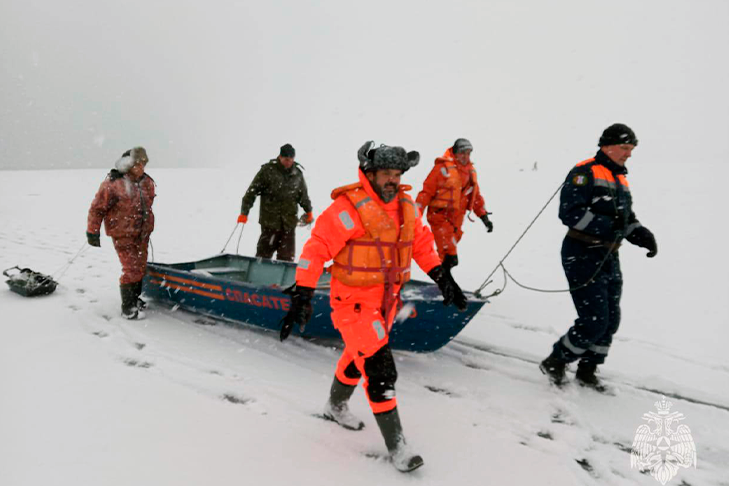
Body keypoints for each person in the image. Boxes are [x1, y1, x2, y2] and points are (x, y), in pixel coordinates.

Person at [278, 142, 468, 472]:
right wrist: (303, 295)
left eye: (397, 174)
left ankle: (335, 406)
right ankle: (398, 448)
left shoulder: (405, 206)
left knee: (357, 356)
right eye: (385, 174)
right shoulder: (349, 208)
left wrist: (442, 277)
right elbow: (316, 248)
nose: (392, 181)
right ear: (370, 173)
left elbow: (421, 243)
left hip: (387, 302)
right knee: (380, 369)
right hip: (353, 304)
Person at [540, 124, 658, 391]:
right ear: (607, 146)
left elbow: (625, 219)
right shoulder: (585, 172)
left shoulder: (620, 178)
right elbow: (570, 213)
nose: (628, 154)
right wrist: (609, 227)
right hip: (582, 252)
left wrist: (640, 234)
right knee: (595, 318)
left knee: (611, 318)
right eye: (625, 148)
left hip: (609, 255)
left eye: (631, 149)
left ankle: (588, 369)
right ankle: (556, 361)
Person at [87, 147, 155, 320]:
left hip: (142, 234)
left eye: (144, 164)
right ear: (129, 164)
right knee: (131, 268)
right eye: (138, 164)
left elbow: (149, 202)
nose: (142, 168)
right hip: (122, 233)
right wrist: (92, 231)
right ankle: (128, 307)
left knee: (140, 267)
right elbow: (97, 209)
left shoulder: (147, 182)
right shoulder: (114, 183)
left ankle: (135, 298)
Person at [415, 138, 493, 277]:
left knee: (447, 258)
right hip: (439, 216)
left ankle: (443, 282)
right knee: (449, 256)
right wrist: (415, 215)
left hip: (457, 220)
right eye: (462, 153)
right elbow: (426, 192)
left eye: (468, 153)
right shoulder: (442, 168)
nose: (465, 156)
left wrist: (484, 217)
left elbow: (476, 197)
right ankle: (446, 285)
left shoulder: (470, 172)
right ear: (455, 153)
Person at [238, 143, 313, 262]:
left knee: (286, 259)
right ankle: (259, 277)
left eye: (291, 159)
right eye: (286, 159)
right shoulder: (267, 171)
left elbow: (303, 196)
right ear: (280, 157)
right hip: (270, 223)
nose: (288, 162)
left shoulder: (297, 174)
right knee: (263, 257)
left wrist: (308, 211)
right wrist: (244, 212)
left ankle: (282, 281)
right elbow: (251, 192)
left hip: (289, 224)